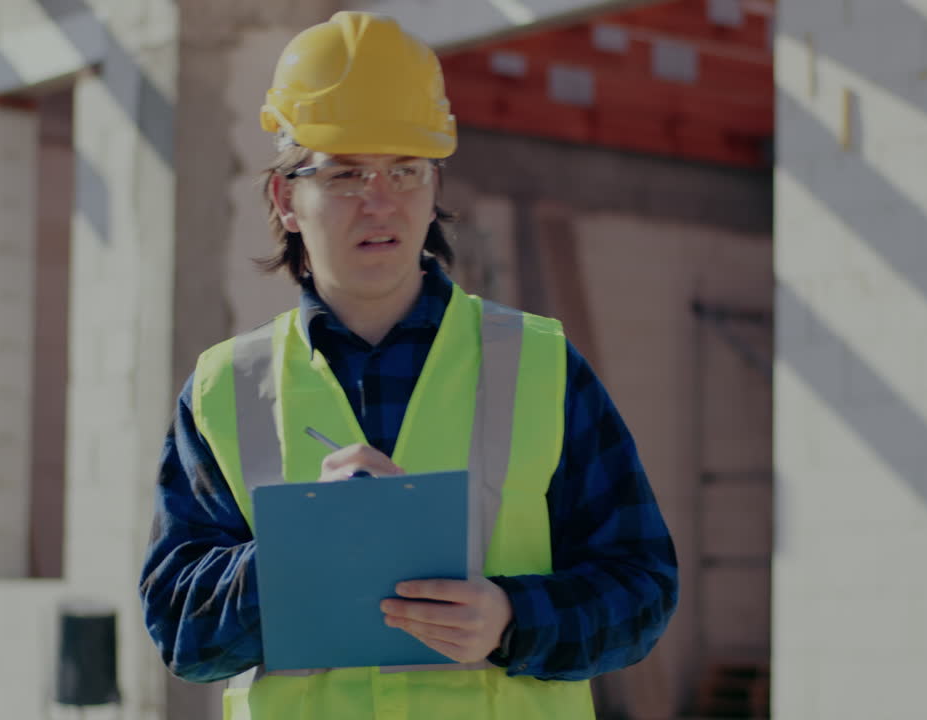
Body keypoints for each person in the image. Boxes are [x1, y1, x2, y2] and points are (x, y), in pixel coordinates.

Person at [139, 11, 678, 720]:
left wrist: (512, 619)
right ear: (285, 198)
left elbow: (640, 588)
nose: (381, 202)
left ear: (434, 189)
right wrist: (295, 551)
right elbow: (182, 630)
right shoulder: (224, 389)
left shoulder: (540, 366)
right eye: (347, 173)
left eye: (405, 171)